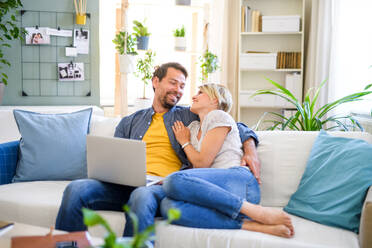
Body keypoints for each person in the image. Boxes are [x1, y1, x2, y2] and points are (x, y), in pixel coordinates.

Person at [55, 62, 259, 236]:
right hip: (126, 185)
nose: (178, 90)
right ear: (155, 82)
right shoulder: (130, 121)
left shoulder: (188, 115)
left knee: (141, 196)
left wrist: (250, 149)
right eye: (173, 82)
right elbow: (114, 157)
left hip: (162, 186)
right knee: (77, 189)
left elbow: (233, 124)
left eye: (182, 86)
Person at [160, 83, 294, 238]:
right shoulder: (193, 127)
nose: (194, 96)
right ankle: (249, 224)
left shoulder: (218, 116)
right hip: (215, 191)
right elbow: (196, 170)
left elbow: (202, 163)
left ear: (215, 100)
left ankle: (255, 211)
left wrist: (184, 142)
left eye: (200, 92)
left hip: (238, 182)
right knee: (168, 206)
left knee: (173, 180)